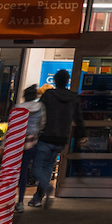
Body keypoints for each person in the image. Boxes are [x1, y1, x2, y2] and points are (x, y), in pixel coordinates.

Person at [0, 85, 46, 213]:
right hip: (31, 142)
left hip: (15, 143)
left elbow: (11, 127)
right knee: (23, 172)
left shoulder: (18, 108)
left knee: (5, 171)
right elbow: (42, 125)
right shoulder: (40, 108)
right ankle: (20, 202)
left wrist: (4, 145)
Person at [29, 69, 86, 208]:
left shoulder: (48, 95)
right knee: (48, 167)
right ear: (67, 81)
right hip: (61, 139)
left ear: (55, 80)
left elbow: (37, 113)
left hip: (46, 136)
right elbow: (79, 119)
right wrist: (82, 135)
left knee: (36, 167)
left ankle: (46, 187)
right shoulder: (74, 98)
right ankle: (37, 198)